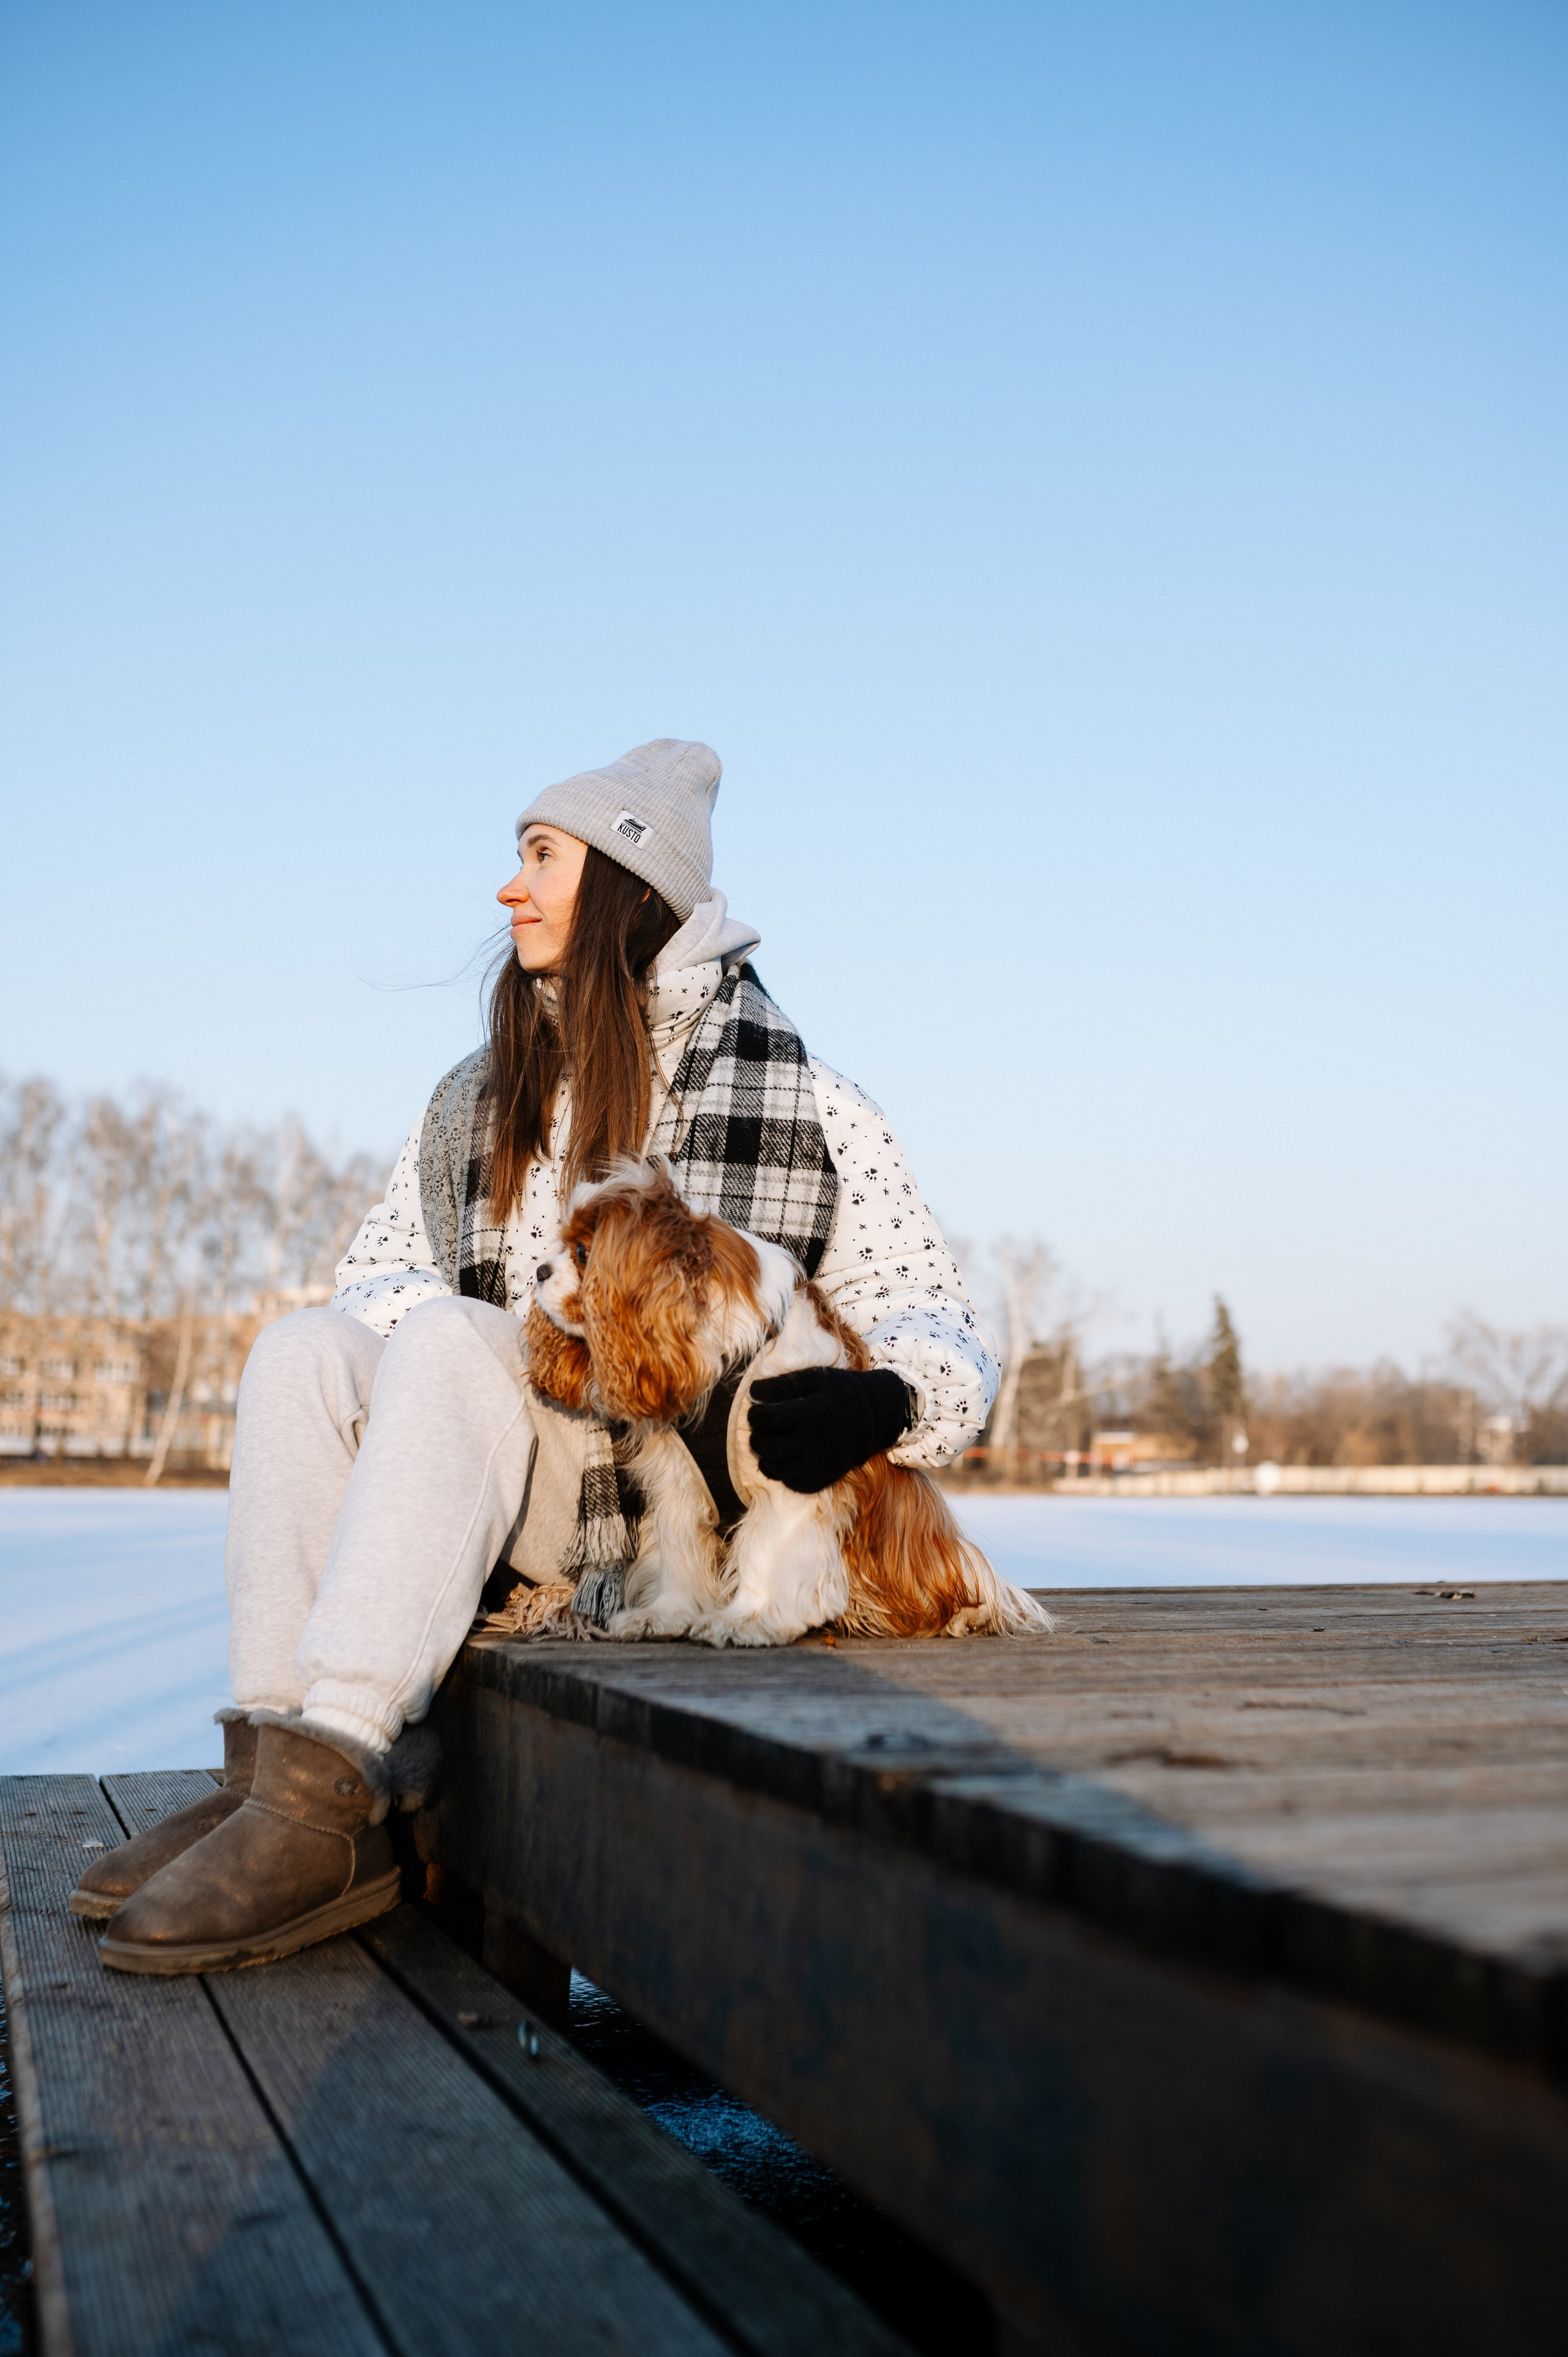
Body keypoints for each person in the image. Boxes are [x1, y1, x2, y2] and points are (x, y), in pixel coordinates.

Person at [77, 739, 999, 1974]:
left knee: (453, 1340)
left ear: (627, 880)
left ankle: (336, 1771)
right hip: (495, 1470)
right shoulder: (474, 1094)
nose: (508, 887)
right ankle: (281, 1767)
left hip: (669, 1516)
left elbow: (936, 1317)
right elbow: (374, 1279)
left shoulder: (813, 1102)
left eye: (541, 856)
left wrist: (885, 1397)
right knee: (303, 1351)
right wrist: (519, 1343)